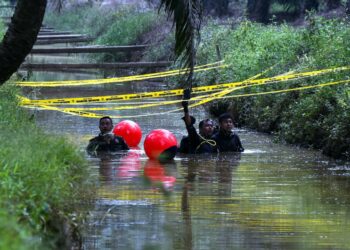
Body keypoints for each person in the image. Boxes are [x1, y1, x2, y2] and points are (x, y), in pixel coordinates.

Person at [178, 90, 217, 154]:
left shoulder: (215, 139)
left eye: (211, 126)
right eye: (207, 126)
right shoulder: (195, 138)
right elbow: (189, 125)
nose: (210, 127)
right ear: (200, 129)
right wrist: (185, 107)